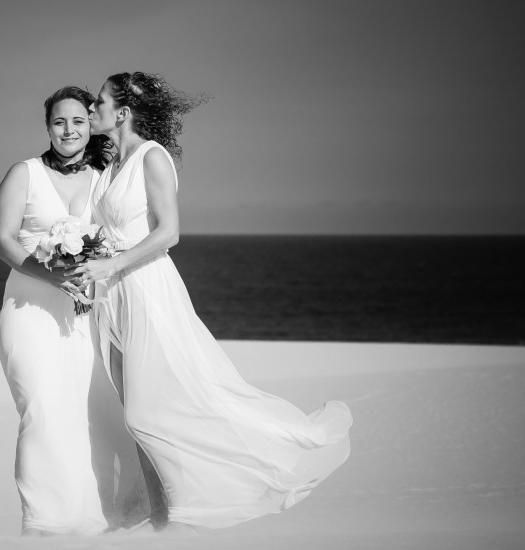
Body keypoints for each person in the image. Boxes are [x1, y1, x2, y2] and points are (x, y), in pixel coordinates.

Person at [72, 72, 353, 533]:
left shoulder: (151, 158)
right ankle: (162, 523)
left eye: (100, 101)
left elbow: (169, 233)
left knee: (149, 414)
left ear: (123, 112)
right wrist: (89, 265)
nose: (92, 107)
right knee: (133, 420)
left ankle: (189, 514)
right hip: (111, 297)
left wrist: (113, 264)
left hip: (146, 289)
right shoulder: (109, 170)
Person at [0, 85, 148, 536]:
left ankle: (93, 522)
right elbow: (1, 241)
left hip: (87, 314)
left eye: (78, 120)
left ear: (91, 124)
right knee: (40, 409)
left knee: (92, 412)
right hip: (29, 307)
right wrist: (51, 274)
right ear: (47, 126)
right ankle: (42, 525)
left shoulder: (105, 174)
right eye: (59, 121)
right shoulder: (23, 173)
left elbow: (125, 232)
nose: (69, 130)